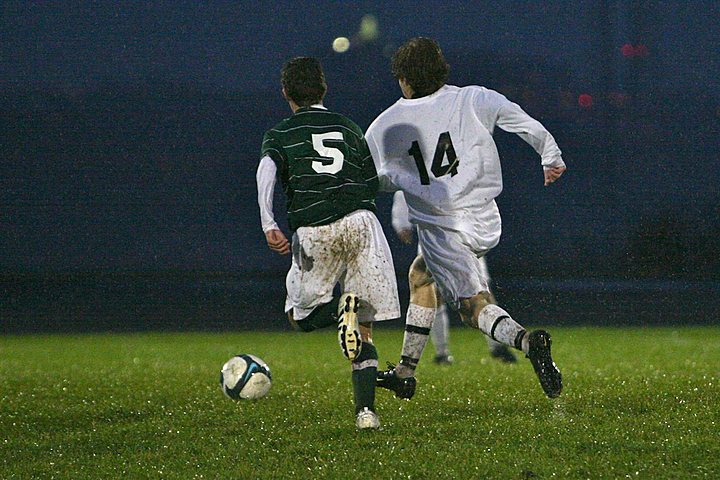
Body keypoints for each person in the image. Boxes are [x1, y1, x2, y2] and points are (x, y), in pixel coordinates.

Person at [365, 37, 565, 400]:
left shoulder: (386, 123)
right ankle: (406, 371)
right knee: (420, 276)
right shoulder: (474, 97)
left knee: (474, 308)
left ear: (403, 79)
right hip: (486, 218)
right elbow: (520, 119)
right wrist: (550, 155)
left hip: (444, 228)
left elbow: (370, 180)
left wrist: (393, 181)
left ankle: (527, 341)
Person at [256, 57, 401, 429]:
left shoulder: (281, 133)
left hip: (315, 229)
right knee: (362, 326)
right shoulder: (349, 126)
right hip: (361, 223)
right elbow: (371, 181)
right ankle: (365, 413)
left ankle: (339, 310)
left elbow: (266, 171)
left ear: (286, 93)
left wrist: (269, 222)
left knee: (299, 317)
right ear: (324, 89)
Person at [391, 190, 517, 365]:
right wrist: (402, 223)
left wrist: (402, 225)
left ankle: (497, 346)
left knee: (482, 295)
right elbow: (404, 190)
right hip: (437, 241)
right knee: (437, 297)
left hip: (463, 240)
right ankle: (442, 353)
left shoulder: (455, 170)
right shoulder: (424, 172)